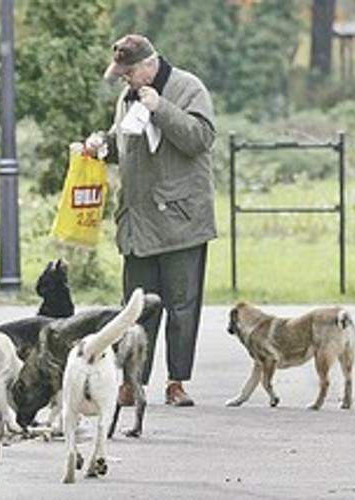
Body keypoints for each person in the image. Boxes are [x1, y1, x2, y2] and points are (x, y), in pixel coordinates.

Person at [86, 34, 216, 407]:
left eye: (128, 72)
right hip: (138, 220)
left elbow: (200, 139)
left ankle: (177, 382)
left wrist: (161, 108)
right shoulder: (126, 97)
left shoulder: (188, 88)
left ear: (148, 65)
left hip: (180, 219)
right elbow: (124, 142)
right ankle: (131, 381)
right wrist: (101, 146)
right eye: (121, 73)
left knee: (181, 306)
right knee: (135, 307)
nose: (125, 79)